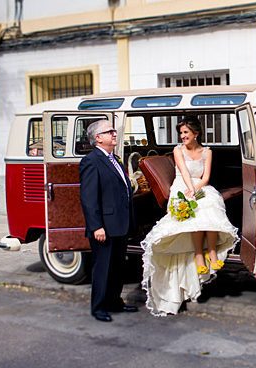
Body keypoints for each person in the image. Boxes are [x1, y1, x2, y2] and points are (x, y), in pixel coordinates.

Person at [141, 115, 239, 316]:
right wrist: (190, 190)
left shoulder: (207, 152)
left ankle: (211, 251)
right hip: (182, 187)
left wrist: (197, 188)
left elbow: (206, 177)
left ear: (196, 133)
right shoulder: (178, 150)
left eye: (186, 132)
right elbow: (184, 173)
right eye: (181, 133)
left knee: (211, 202)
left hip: (200, 185)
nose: (183, 136)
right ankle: (198, 255)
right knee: (195, 213)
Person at [79, 119, 138, 322]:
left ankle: (115, 302)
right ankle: (99, 307)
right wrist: (96, 226)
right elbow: (89, 198)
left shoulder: (116, 158)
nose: (114, 133)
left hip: (120, 223)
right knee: (102, 268)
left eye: (114, 130)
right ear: (98, 138)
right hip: (104, 226)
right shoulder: (91, 161)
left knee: (117, 268)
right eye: (109, 131)